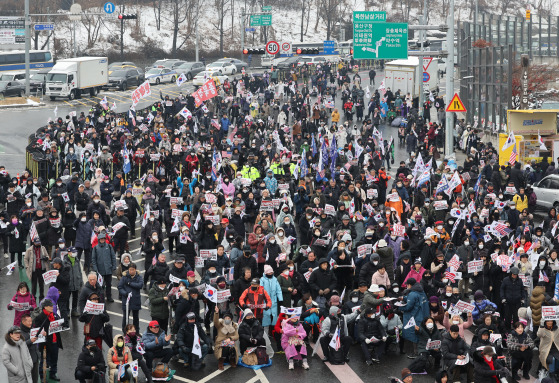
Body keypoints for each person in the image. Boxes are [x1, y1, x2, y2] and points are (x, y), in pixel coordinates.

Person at [32, 298, 62, 381]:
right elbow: (37, 329)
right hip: (45, 343)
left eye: (52, 305)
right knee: (44, 360)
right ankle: (42, 376)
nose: (52, 307)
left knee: (54, 359)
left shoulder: (55, 315)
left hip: (55, 341)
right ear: (45, 307)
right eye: (50, 305)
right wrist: (42, 332)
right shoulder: (40, 317)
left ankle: (53, 373)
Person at [117, 262, 143, 332]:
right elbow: (120, 287)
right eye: (130, 269)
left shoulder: (139, 277)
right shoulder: (124, 277)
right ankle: (125, 331)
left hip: (136, 300)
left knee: (136, 318)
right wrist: (125, 293)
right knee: (125, 317)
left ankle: (136, 331)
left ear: (135, 270)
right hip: (126, 301)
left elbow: (140, 285)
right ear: (128, 270)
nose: (131, 271)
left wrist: (130, 283)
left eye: (133, 269)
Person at [91, 232, 116, 302]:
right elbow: (93, 259)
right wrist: (95, 269)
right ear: (99, 239)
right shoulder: (95, 248)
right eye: (101, 239)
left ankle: (109, 297)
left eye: (103, 239)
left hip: (108, 269)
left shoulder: (109, 246)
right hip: (100, 270)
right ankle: (100, 297)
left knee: (108, 284)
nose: (102, 240)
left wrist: (114, 266)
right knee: (100, 285)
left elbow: (113, 257)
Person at [19, 314, 40, 383]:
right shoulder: (19, 333)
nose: (31, 323)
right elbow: (19, 346)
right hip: (27, 361)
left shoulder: (32, 330)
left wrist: (43, 334)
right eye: (29, 321)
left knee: (35, 379)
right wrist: (30, 341)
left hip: (35, 358)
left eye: (31, 321)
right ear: (23, 322)